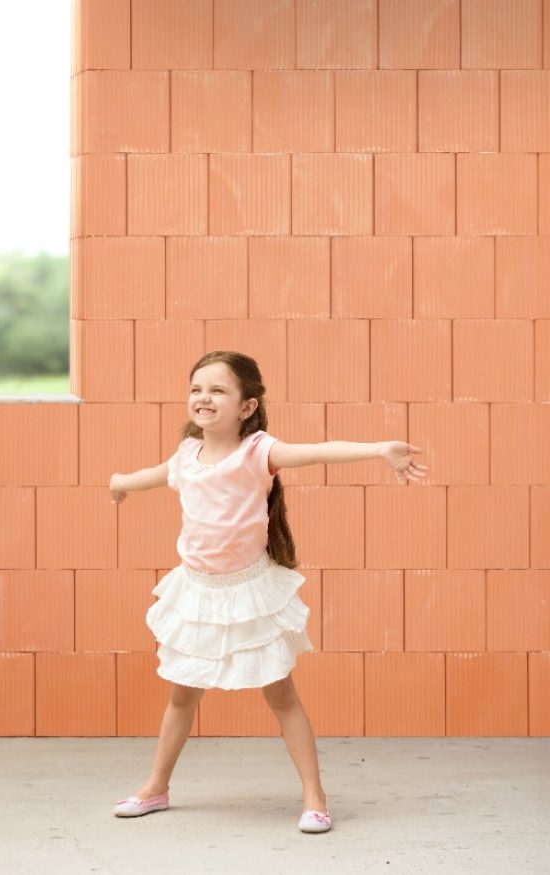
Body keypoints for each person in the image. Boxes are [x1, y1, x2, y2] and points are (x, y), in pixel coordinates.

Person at [107, 350, 427, 834]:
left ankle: (315, 797)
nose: (203, 397)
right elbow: (153, 477)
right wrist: (119, 484)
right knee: (181, 698)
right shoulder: (185, 457)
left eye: (217, 390)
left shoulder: (259, 452)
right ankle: (156, 787)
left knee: (281, 696)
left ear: (247, 407)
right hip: (197, 594)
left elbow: (319, 449)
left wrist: (379, 448)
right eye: (196, 388)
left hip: (248, 592)